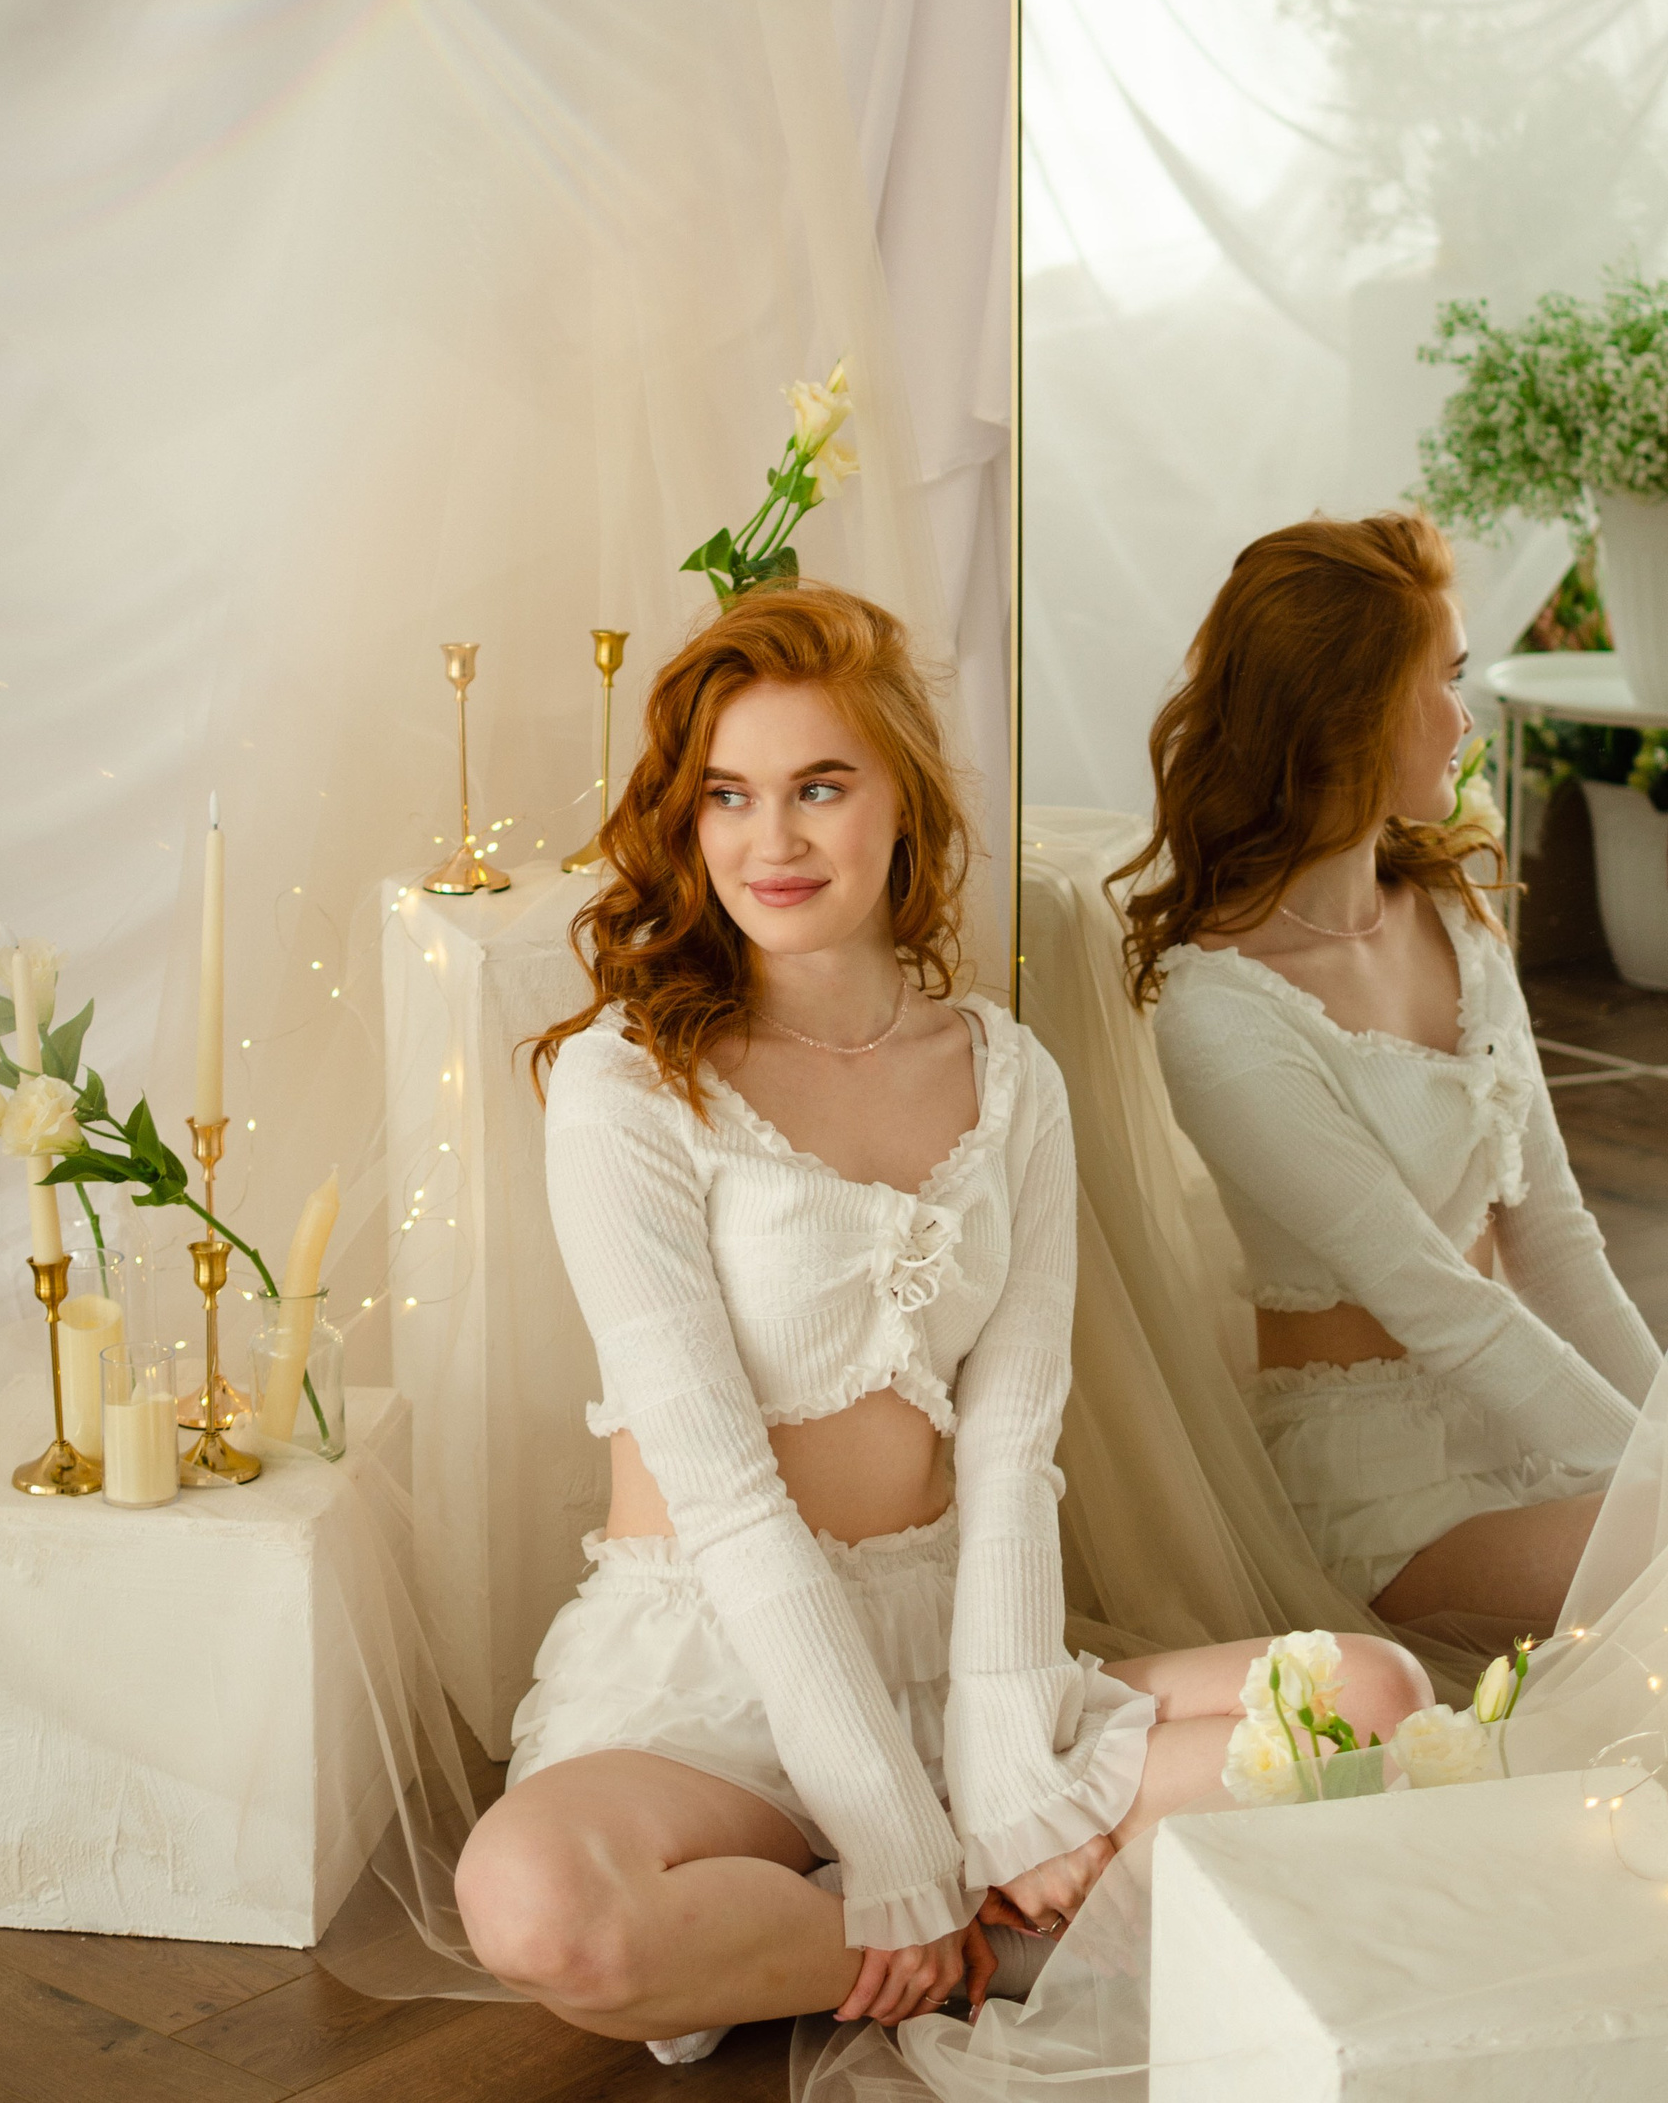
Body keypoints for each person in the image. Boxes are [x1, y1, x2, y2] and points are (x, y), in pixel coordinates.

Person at [453, 582, 1424, 2057]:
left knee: (1376, 1696)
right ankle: (981, 1935)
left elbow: (1014, 1445)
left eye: (818, 786)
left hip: (958, 1643)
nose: (771, 841)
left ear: (900, 796)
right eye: (728, 795)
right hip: (715, 1665)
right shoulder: (628, 1081)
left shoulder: (1008, 1074)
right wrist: (894, 1835)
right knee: (538, 1905)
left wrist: (1005, 1753)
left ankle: (910, 1917)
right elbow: (724, 1491)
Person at [1122, 512, 1661, 1642]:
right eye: (1447, 682)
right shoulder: (1222, 1013)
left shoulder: (1454, 916)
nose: (1466, 720)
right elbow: (1437, 1303)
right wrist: (1646, 1485)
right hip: (1376, 1496)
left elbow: (1556, 1242)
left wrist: (1654, 1447)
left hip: (1524, 1430)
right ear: (1350, 710)